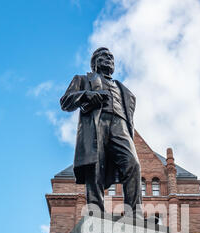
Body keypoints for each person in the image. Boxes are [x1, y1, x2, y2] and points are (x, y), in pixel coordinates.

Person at [60, 47, 142, 218]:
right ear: (94, 62)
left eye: (111, 57)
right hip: (96, 124)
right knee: (95, 166)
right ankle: (96, 211)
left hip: (120, 124)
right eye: (103, 56)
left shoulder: (124, 90)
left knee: (132, 163)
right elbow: (65, 101)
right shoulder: (83, 79)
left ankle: (134, 213)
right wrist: (87, 95)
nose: (108, 59)